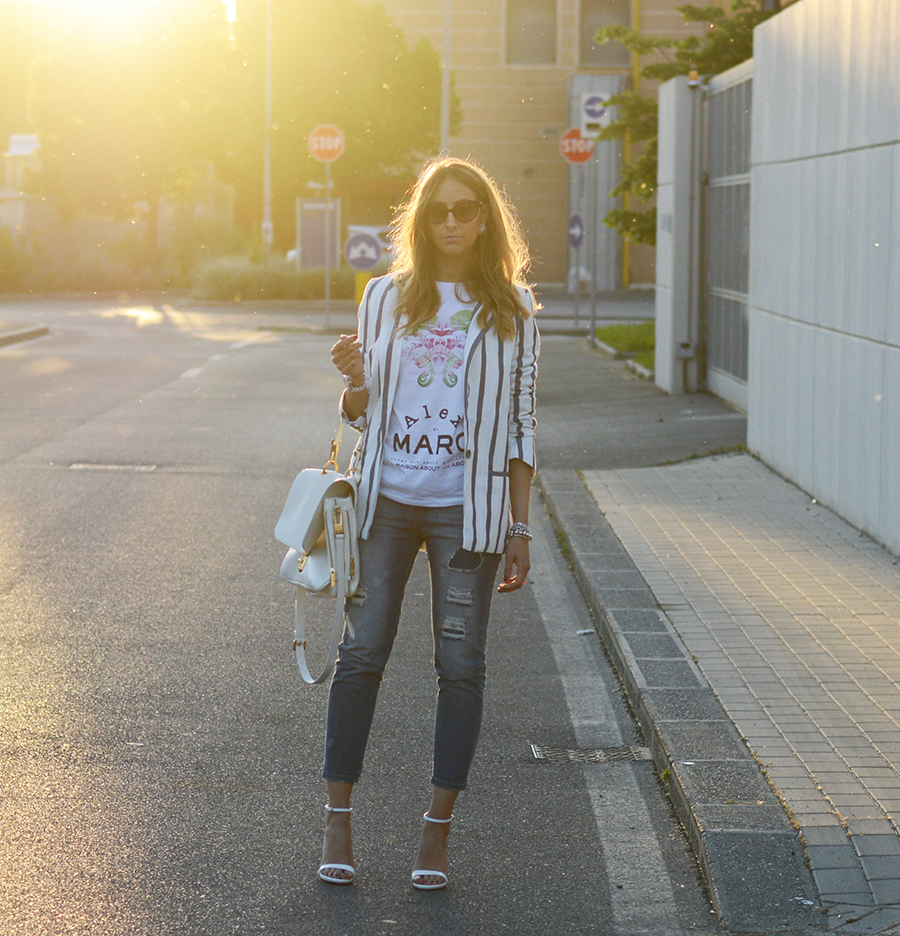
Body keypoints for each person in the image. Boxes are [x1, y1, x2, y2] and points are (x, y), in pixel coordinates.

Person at [320, 156, 540, 890]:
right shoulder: (383, 298)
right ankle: (338, 821)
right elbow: (360, 413)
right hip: (387, 501)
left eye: (465, 208)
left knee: (461, 667)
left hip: (465, 511)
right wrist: (354, 379)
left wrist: (520, 526)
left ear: (485, 218)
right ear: (421, 219)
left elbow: (521, 425)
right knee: (361, 656)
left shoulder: (510, 308)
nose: (451, 221)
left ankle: (436, 835)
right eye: (439, 209)